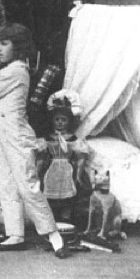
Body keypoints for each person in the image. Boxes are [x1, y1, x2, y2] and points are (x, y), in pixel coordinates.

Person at [0, 23, 70, 258]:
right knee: (8, 185)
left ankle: (54, 236)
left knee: (27, 186)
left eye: (4, 43)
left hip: (18, 138)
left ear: (17, 47)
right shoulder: (11, 69)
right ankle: (15, 234)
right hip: (6, 136)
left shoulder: (16, 71)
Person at [36, 89, 89, 222]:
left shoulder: (72, 138)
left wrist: (79, 172)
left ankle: (66, 217)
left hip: (67, 168)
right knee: (48, 190)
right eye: (57, 119)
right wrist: (37, 171)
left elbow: (81, 156)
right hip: (51, 168)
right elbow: (41, 157)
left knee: (70, 191)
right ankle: (51, 218)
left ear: (69, 122)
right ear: (53, 121)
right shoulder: (48, 137)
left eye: (64, 120)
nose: (60, 122)